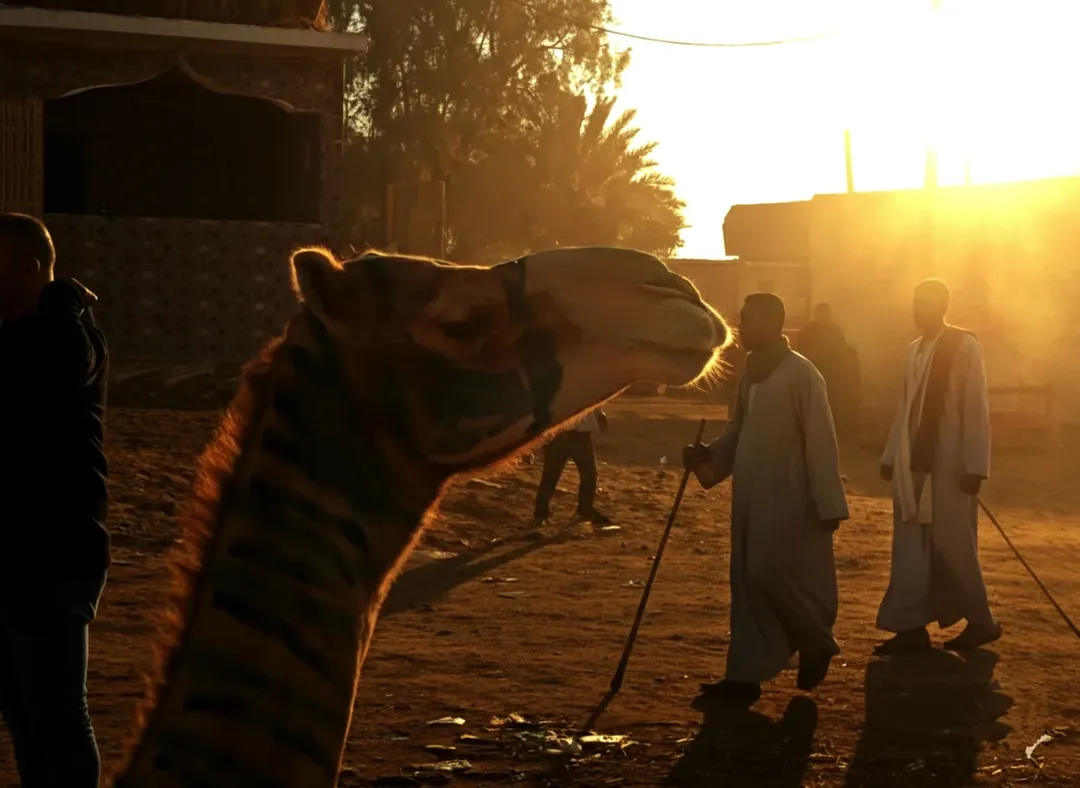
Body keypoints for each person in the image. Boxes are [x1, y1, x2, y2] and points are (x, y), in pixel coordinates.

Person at [683, 293, 849, 704]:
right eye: (741, 320)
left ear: (775, 324)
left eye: (750, 321)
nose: (742, 328)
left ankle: (815, 640)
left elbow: (821, 442)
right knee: (746, 581)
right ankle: (744, 677)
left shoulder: (802, 374)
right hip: (751, 494)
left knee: (766, 573)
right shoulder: (750, 374)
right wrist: (708, 456)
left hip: (791, 496)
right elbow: (737, 432)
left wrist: (827, 502)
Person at [0, 213, 110, 787]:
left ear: (28, 267)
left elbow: (61, 359)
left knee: (60, 716)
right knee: (26, 718)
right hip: (13, 556)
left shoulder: (71, 335)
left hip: (58, 554)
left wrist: (62, 301)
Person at [874, 278, 1000, 654]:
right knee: (910, 548)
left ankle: (982, 621)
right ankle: (910, 626)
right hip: (912, 466)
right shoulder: (914, 350)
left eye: (927, 303)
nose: (919, 309)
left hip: (948, 466)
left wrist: (975, 464)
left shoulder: (963, 345)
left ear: (943, 306)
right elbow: (905, 408)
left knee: (954, 544)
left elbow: (975, 406)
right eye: (916, 302)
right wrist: (891, 456)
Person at [532, 409, 611, 525]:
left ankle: (584, 510)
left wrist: (598, 413)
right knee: (552, 475)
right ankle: (540, 514)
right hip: (561, 432)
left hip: (573, 434)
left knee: (587, 475)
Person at [797, 302, 860, 433]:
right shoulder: (834, 330)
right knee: (830, 404)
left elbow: (800, 352)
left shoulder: (807, 330)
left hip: (814, 373)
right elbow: (842, 353)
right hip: (831, 376)